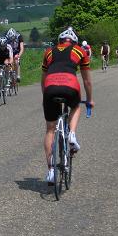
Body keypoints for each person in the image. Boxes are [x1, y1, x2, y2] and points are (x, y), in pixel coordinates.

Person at [41, 26, 94, 185]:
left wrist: (46, 96)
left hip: (50, 87)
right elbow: (87, 81)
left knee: (50, 129)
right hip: (70, 86)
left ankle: (51, 171)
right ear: (75, 42)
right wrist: (90, 99)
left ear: (60, 41)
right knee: (76, 105)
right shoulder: (80, 51)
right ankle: (71, 134)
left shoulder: (48, 52)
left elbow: (43, 79)